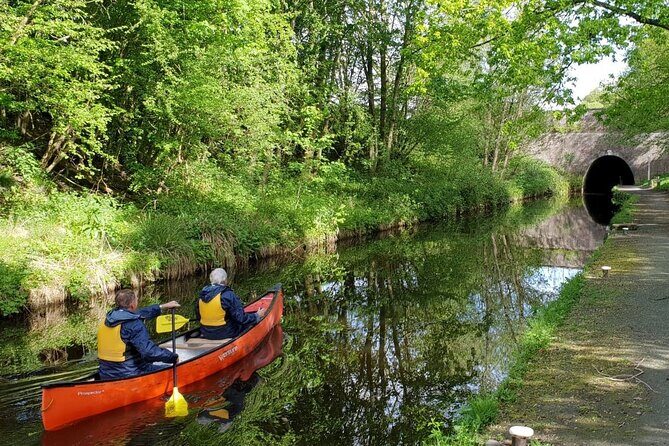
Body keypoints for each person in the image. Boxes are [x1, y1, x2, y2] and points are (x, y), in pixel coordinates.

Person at [97, 289, 181, 380]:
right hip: (129, 373)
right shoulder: (134, 324)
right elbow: (149, 353)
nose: (138, 301)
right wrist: (172, 357)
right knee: (177, 372)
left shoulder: (110, 318)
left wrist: (162, 306)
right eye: (137, 299)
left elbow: (140, 313)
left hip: (105, 373)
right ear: (133, 305)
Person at [196, 268, 266, 340]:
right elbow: (241, 318)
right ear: (225, 280)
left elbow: (199, 316)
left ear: (211, 280)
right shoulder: (227, 295)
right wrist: (256, 315)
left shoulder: (202, 295)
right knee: (246, 323)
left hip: (205, 332)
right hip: (225, 332)